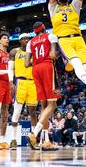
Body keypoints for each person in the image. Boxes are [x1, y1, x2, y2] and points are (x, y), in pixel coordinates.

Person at [25, 22, 61, 151]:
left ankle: (46, 141)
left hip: (35, 69)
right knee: (52, 104)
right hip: (47, 67)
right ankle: (34, 134)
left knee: (44, 105)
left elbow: (26, 63)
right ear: (44, 28)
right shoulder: (51, 36)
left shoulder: (30, 42)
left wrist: (37, 59)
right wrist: (57, 56)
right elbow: (52, 55)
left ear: (34, 32)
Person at [9, 33, 38, 150]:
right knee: (17, 111)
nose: (26, 40)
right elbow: (10, 69)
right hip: (20, 82)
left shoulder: (33, 52)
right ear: (20, 41)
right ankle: (13, 140)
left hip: (33, 82)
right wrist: (11, 82)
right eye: (24, 39)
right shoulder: (14, 52)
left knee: (33, 111)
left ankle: (33, 139)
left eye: (28, 39)